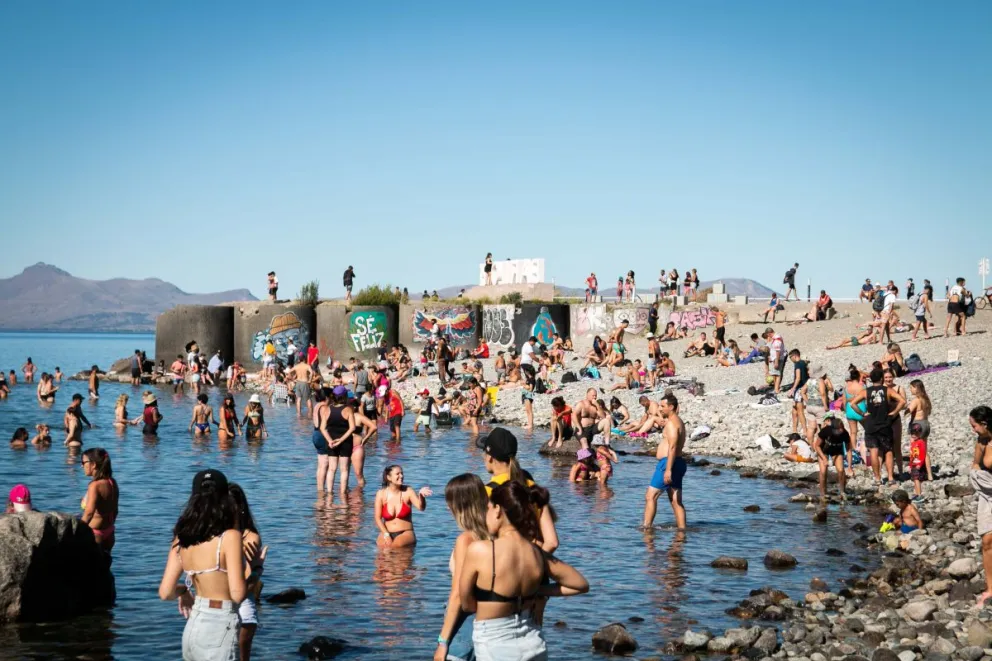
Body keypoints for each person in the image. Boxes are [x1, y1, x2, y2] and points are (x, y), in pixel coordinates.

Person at [458, 481, 589, 661]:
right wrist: (539, 590)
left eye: (488, 508)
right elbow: (580, 585)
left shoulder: (480, 549)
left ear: (497, 510)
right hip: (533, 641)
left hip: (494, 644)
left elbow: (466, 604)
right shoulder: (536, 552)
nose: (486, 515)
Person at [158, 469, 254, 661]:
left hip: (193, 627)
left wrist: (184, 592)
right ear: (225, 499)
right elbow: (237, 595)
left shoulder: (182, 538)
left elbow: (165, 592)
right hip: (220, 626)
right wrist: (255, 570)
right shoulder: (230, 537)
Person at [477, 428, 559, 553]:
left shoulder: (486, 492)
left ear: (489, 457)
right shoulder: (533, 488)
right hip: (533, 561)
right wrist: (536, 564)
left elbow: (481, 538)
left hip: (500, 564)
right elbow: (552, 542)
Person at [436, 474, 490, 661]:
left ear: (460, 505)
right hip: (493, 626)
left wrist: (443, 641)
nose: (447, 506)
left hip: (465, 625)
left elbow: (458, 594)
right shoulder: (497, 535)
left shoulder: (466, 540)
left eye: (449, 501)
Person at [850, 367, 905, 484]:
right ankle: (890, 477)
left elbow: (852, 403)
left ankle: (877, 478)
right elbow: (902, 401)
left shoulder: (865, 391)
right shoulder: (887, 390)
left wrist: (862, 413)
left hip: (871, 424)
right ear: (881, 378)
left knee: (874, 451)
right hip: (885, 423)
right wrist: (894, 412)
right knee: (888, 451)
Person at [229, 484, 265, 661]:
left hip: (243, 608)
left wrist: (257, 570)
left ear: (240, 507)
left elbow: (245, 583)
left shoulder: (250, 537)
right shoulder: (213, 535)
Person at [643, 393, 687, 529]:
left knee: (650, 496)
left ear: (671, 407)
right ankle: (682, 530)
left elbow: (672, 447)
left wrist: (668, 469)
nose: (660, 409)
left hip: (668, 463)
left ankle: (646, 528)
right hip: (678, 462)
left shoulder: (673, 425)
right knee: (675, 501)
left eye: (663, 406)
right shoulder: (677, 421)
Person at [968, 406, 992, 606]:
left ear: (984, 424)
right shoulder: (982, 441)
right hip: (987, 494)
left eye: (974, 426)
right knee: (986, 541)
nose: (973, 430)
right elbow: (975, 465)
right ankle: (990, 588)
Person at [374, 465, 432, 548]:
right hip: (386, 532)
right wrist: (386, 535)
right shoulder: (381, 494)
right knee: (382, 548)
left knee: (395, 546)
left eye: (402, 473)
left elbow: (421, 507)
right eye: (397, 474)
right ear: (389, 477)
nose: (401, 476)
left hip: (406, 532)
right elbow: (377, 518)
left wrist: (421, 496)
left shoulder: (408, 491)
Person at [81, 448, 119, 552]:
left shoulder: (95, 486)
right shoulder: (112, 482)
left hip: (95, 533)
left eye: (83, 462)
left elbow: (89, 513)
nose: (81, 465)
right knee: (104, 566)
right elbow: (115, 510)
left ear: (93, 464)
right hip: (110, 532)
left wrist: (78, 532)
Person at [322, 386, 357, 493]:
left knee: (331, 469)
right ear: (344, 396)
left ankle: (329, 492)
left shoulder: (328, 409)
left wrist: (329, 441)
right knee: (344, 469)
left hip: (331, 442)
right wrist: (341, 440)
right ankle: (342, 493)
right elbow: (352, 428)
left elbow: (322, 428)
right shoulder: (348, 410)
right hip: (345, 442)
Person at [811, 413, 849, 499]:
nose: (839, 432)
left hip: (837, 450)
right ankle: (823, 493)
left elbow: (849, 449)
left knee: (841, 470)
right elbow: (816, 446)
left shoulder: (845, 433)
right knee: (823, 471)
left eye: (841, 429)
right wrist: (824, 458)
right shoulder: (826, 430)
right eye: (837, 430)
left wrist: (849, 466)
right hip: (823, 450)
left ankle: (842, 492)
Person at [907, 421, 932, 500]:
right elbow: (911, 455)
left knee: (917, 479)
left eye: (916, 434)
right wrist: (910, 465)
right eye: (912, 434)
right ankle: (916, 493)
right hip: (914, 464)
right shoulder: (913, 443)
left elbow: (922, 454)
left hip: (918, 465)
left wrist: (920, 464)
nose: (913, 435)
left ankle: (919, 494)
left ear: (920, 433)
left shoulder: (921, 442)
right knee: (915, 479)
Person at [787, 349, 810, 435]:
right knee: (794, 410)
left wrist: (792, 389)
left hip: (799, 388)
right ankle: (794, 430)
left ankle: (805, 430)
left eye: (790, 357)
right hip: (803, 387)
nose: (790, 359)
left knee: (800, 410)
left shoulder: (797, 364)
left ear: (794, 356)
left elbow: (798, 377)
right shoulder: (804, 363)